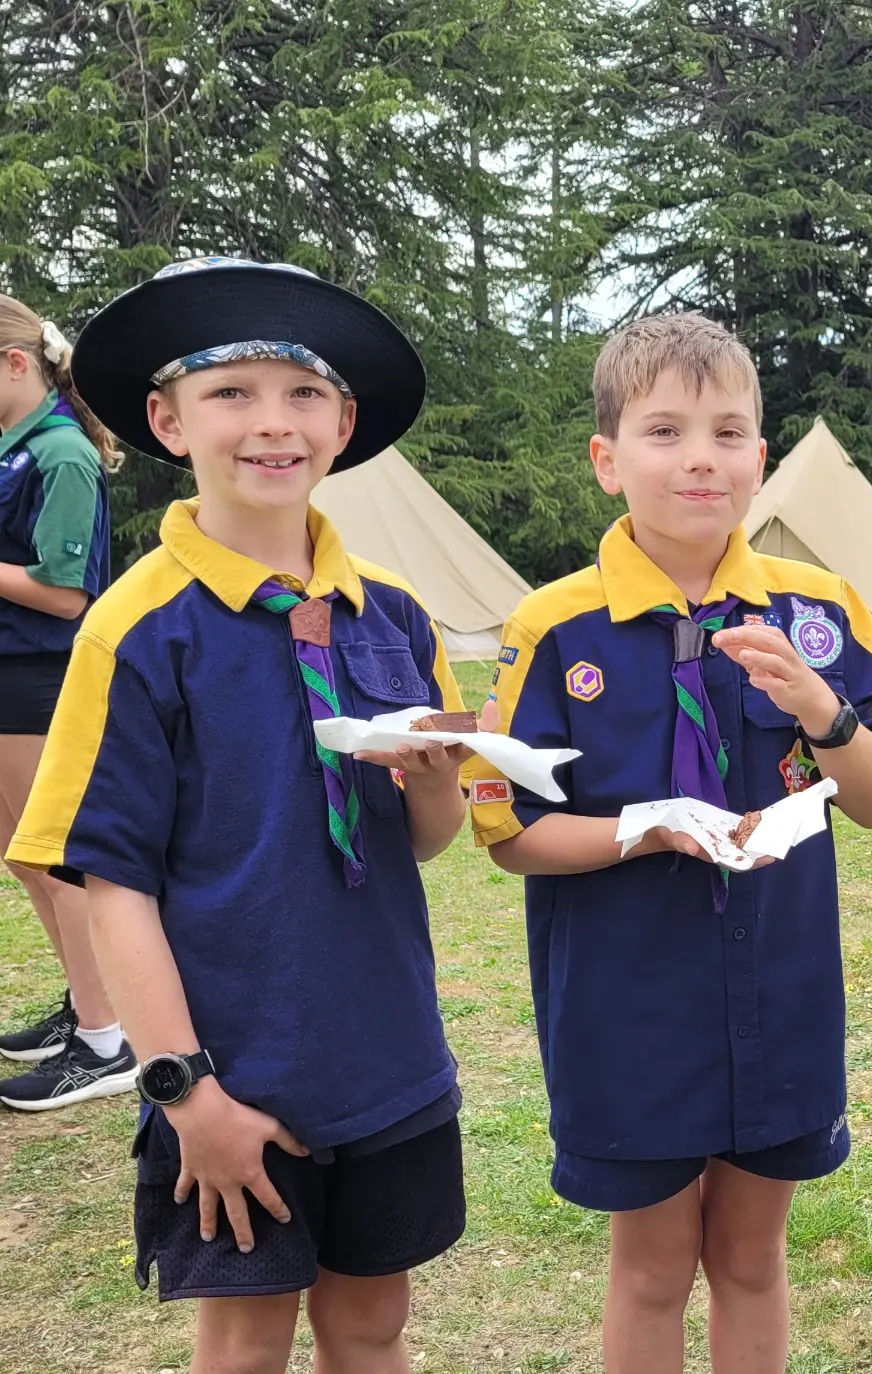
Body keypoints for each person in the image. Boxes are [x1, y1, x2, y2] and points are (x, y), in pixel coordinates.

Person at [6, 257, 473, 1372]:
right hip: (230, 1073)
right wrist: (185, 1093)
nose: (273, 424)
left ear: (345, 421)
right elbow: (112, 889)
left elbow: (421, 839)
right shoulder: (139, 631)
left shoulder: (392, 619)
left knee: (372, 1326)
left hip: (387, 1058)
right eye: (232, 393)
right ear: (167, 420)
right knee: (248, 1340)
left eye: (304, 393)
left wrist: (439, 780)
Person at [468, 310, 872, 1374]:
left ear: (762, 453)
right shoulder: (553, 630)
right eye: (664, 432)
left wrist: (820, 708)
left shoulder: (822, 610)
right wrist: (647, 830)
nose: (699, 458)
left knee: (753, 1259)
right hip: (629, 1003)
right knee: (654, 1268)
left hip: (784, 991)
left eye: (727, 432)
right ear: (608, 461)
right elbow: (508, 832)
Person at [0, 294, 129, 1109]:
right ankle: (85, 1005)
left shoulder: (60, 454)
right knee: (23, 855)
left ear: (16, 364)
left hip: (41, 678)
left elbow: (65, 595)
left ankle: (106, 1039)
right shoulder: (14, 447)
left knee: (55, 859)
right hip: (8, 673)